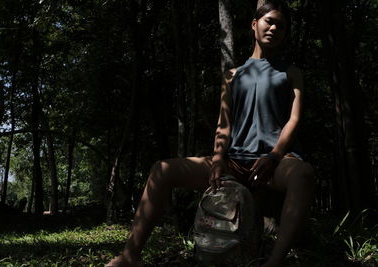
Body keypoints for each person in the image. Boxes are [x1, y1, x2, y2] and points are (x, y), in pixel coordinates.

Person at [106, 2, 315, 267]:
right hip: (234, 161)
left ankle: (273, 262)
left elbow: (294, 120)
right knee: (161, 169)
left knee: (304, 174)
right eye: (268, 21)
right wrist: (217, 158)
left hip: (274, 163)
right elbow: (224, 123)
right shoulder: (232, 75)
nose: (273, 28)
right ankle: (130, 255)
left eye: (280, 26)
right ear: (254, 25)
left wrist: (274, 157)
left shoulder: (291, 73)